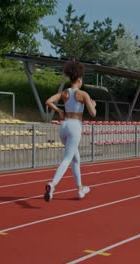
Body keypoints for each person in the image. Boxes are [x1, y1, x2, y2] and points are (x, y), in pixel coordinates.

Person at [44, 60, 97, 202]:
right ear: (79, 79)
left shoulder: (65, 93)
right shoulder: (83, 94)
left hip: (64, 126)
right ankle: (52, 184)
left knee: (76, 159)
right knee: (67, 159)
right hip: (75, 127)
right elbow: (93, 114)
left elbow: (48, 101)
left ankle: (80, 189)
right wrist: (93, 104)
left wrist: (59, 110)